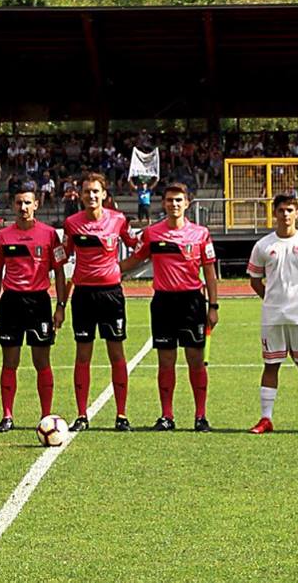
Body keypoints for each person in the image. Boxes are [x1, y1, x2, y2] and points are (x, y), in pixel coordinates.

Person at [122, 182, 219, 431]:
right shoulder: (153, 233)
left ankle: (201, 416)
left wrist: (213, 305)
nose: (174, 204)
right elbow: (136, 258)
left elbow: (209, 271)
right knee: (166, 361)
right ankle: (167, 416)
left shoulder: (200, 233)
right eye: (169, 200)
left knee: (196, 361)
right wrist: (111, 269)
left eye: (178, 200)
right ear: (163, 203)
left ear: (187, 203)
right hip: (163, 302)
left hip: (192, 302)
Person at [63, 172, 139, 432]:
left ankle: (121, 415)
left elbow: (137, 246)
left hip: (111, 295)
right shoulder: (72, 223)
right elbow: (62, 256)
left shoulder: (118, 219)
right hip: (83, 295)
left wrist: (121, 268)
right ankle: (82, 415)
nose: (91, 196)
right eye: (87, 192)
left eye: (96, 191)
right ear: (80, 195)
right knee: (83, 355)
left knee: (116, 354)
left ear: (104, 194)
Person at [0, 181, 67, 432]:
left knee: (41, 362)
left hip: (39, 303)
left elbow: (59, 272)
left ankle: (46, 417)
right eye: (19, 202)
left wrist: (61, 305)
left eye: (27, 202)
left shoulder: (49, 234)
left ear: (36, 204)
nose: (23, 207)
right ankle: (7, 415)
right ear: (13, 205)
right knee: (9, 361)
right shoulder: (3, 236)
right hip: (11, 302)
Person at [248, 195, 298, 434]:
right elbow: (254, 280)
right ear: (274, 214)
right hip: (273, 317)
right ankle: (265, 418)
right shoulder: (263, 245)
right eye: (280, 210)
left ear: (297, 213)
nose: (285, 214)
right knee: (271, 365)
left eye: (289, 210)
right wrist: (272, 299)